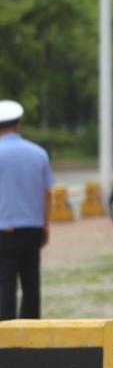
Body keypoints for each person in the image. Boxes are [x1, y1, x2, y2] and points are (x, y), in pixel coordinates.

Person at [0, 100, 53, 320]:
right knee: (31, 284)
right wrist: (45, 225)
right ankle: (32, 329)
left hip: (4, 231)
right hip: (32, 229)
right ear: (18, 124)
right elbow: (47, 194)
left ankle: (4, 330)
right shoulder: (39, 153)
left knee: (5, 283)